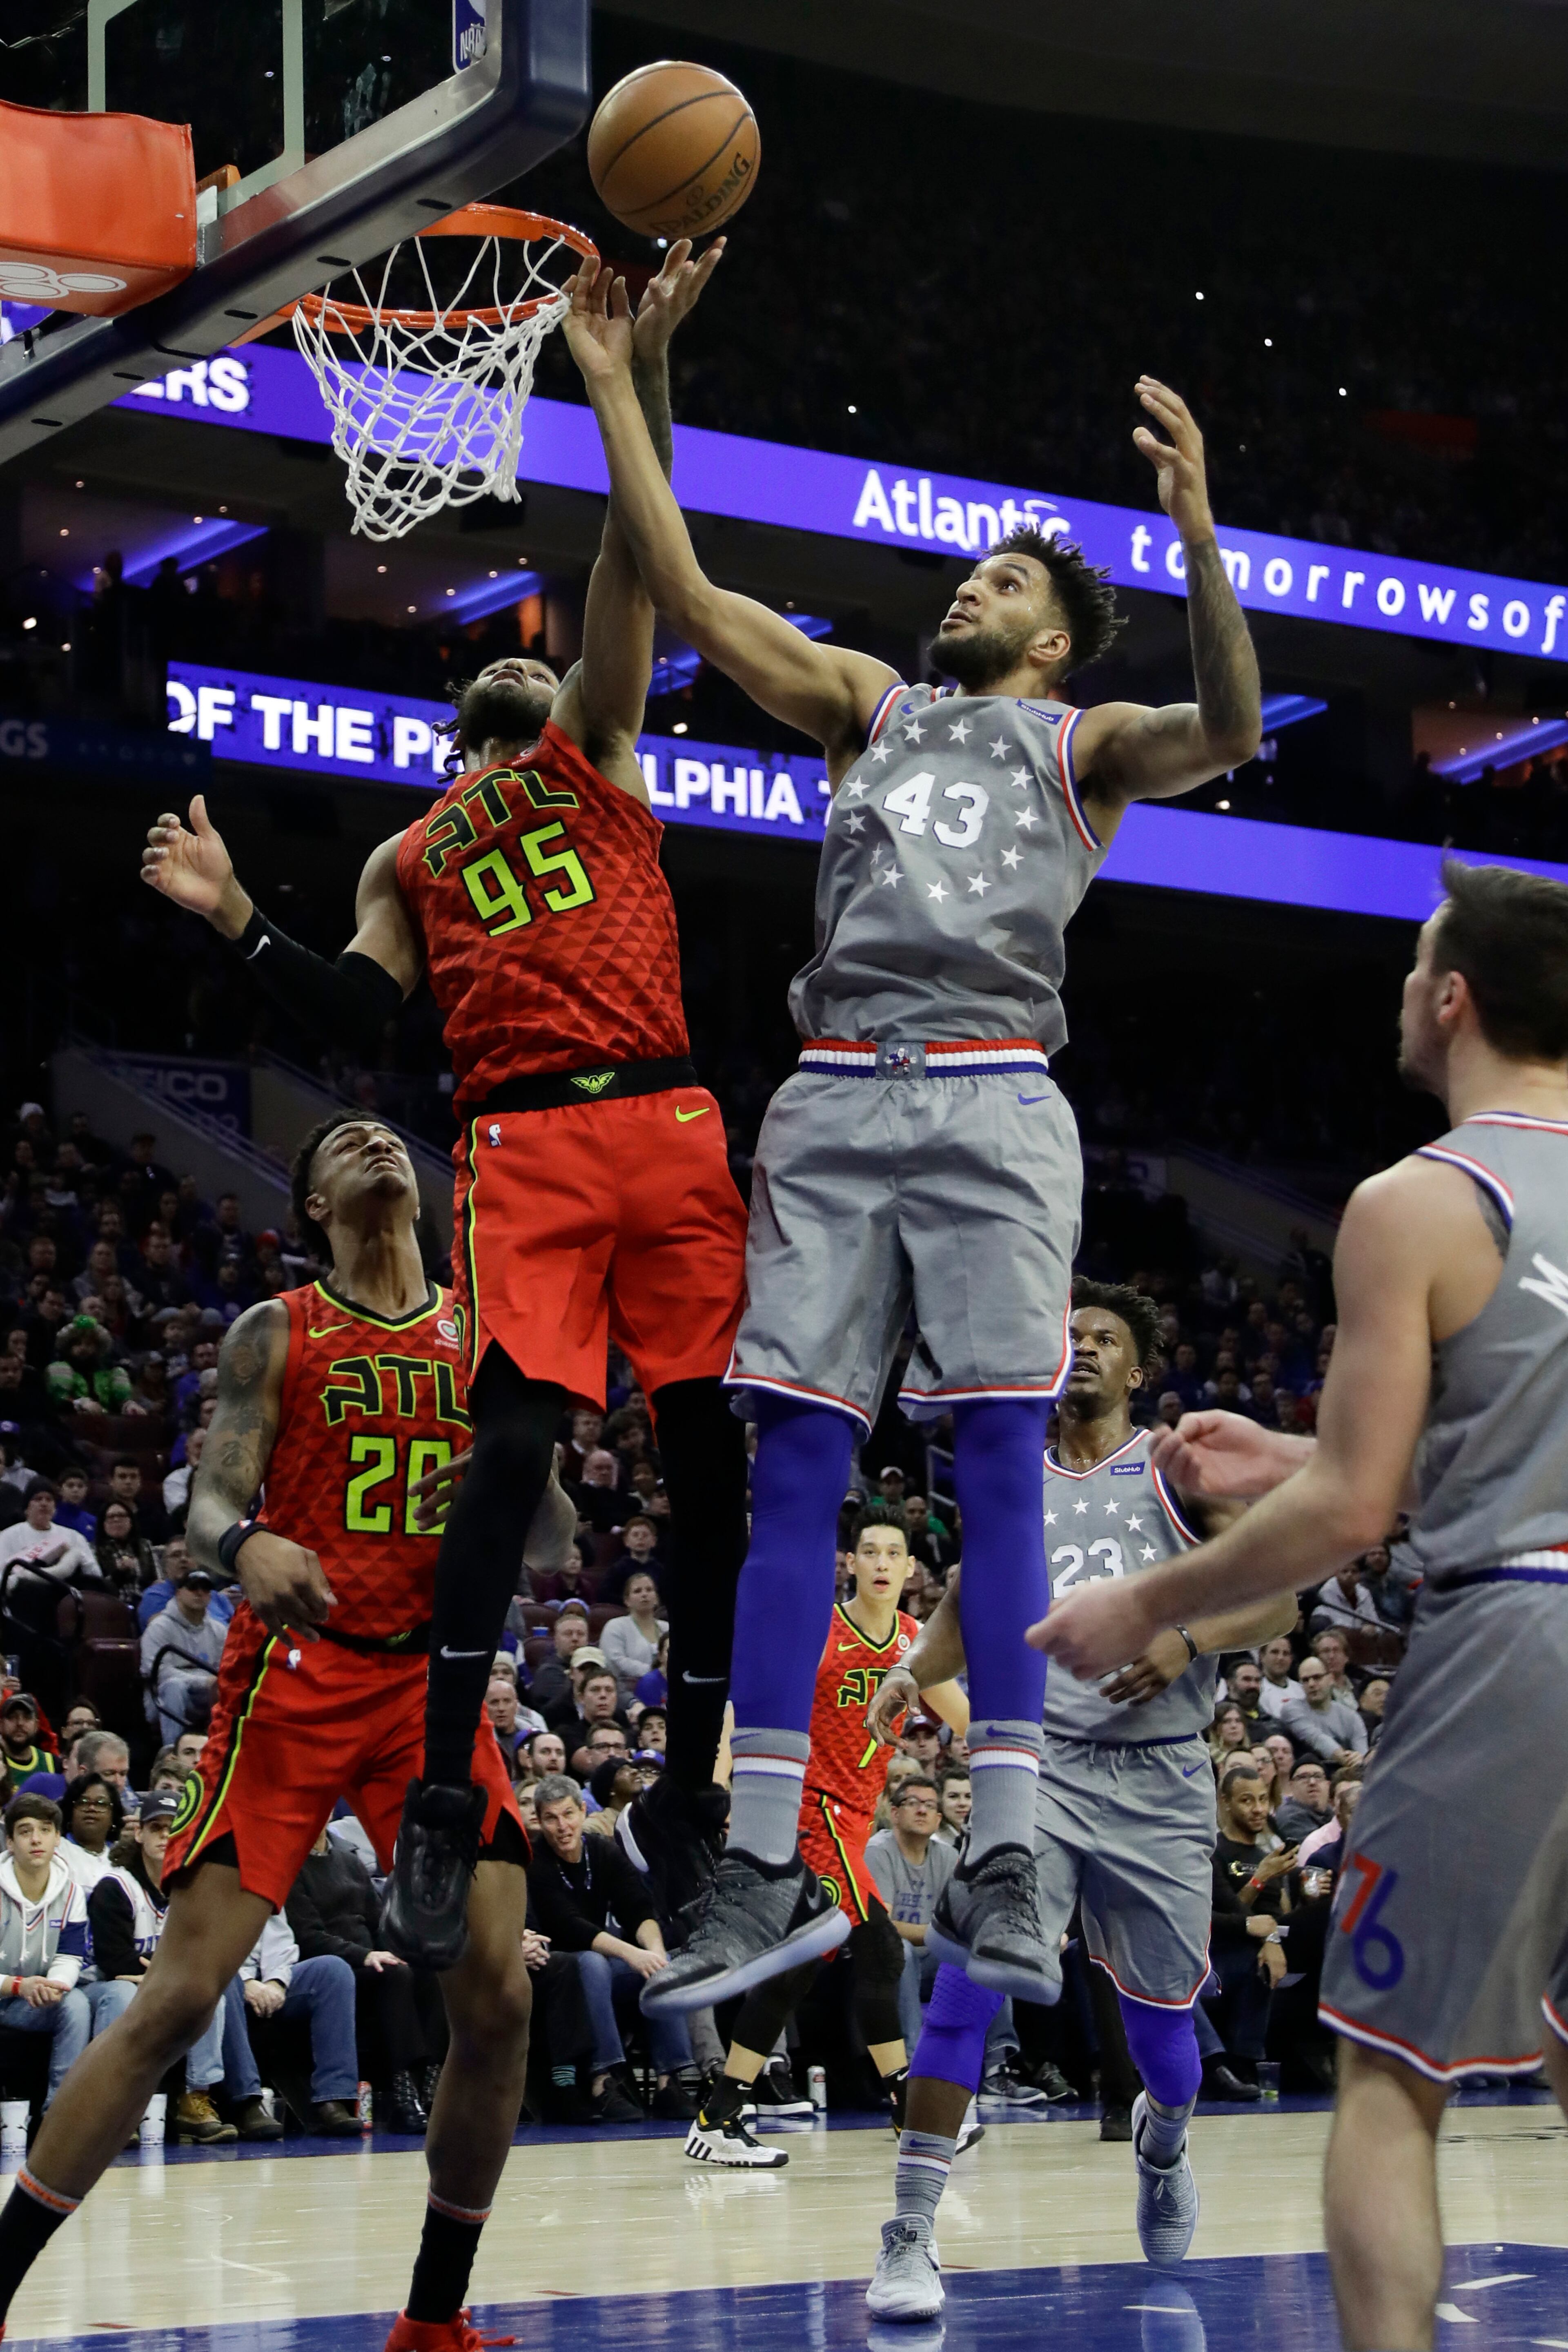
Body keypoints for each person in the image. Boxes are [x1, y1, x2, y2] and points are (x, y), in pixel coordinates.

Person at [564, 272, 1263, 2016]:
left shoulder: (1078, 741)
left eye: (1003, 581)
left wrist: (1193, 530)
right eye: (972, 572)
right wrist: (626, 378)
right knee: (794, 1468)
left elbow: (1234, 729)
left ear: (1047, 639)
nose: (970, 587)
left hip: (990, 1082)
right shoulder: (867, 701)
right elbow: (695, 596)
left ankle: (1010, 1855)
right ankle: (756, 1860)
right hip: (828, 1086)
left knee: (1001, 1464)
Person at [139, 247, 751, 1982]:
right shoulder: (409, 853)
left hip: (666, 1115)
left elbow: (641, 548)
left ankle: (698, 1802)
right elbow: (353, 1015)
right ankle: (434, 1789)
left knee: (710, 1453)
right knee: (513, 1449)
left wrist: (635, 379)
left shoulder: (606, 748)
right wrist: (236, 916)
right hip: (525, 1135)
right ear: (467, 736)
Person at [1032, 861, 1568, 2352]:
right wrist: (1292, 1455)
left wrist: (1145, 1592)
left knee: (1389, 2072)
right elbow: (1421, 1463)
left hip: (1519, 1636)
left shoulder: (1420, 1198)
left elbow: (1346, 1516)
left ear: (1453, 997)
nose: (1402, 990)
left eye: (1413, 968)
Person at [0, 1115, 569, 2352]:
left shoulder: (487, 1329)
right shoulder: (278, 1328)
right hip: (296, 1680)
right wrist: (244, 1541)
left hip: (435, 1687)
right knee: (171, 1999)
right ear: (312, 1201)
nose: (370, 1138)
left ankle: (432, 2318)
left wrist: (528, 1448)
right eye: (339, 1142)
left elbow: (556, 1539)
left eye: (382, 1130)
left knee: (499, 2000)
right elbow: (208, 1501)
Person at [863, 1281, 1294, 2316]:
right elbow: (968, 1609)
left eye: (1106, 1338)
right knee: (964, 1985)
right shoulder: (1009, 1476)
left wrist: (1184, 1637)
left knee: (1165, 2044)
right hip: (1037, 1765)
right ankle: (910, 2230)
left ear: (1139, 1369)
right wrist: (911, 1667)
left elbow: (1276, 1591)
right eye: (1070, 1337)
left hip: (1158, 1773)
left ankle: (1163, 2138)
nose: (1085, 1349)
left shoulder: (1174, 1466)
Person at [684, 1506, 967, 2171]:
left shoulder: (915, 1642)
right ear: (852, 1562)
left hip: (853, 1818)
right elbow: (748, 1700)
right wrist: (724, 1786)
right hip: (805, 1807)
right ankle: (908, 2107)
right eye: (867, 1550)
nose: (878, 1562)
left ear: (908, 1567)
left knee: (799, 1969)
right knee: (878, 1949)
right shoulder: (824, 1629)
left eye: (891, 1552)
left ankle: (720, 2111)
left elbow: (968, 1720)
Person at [526, 1774, 693, 2124]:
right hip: (556, 1969)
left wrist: (656, 1952)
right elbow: (568, 1924)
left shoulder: (602, 1850)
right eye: (552, 1818)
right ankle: (604, 2081)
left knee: (664, 1965)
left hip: (600, 1963)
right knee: (593, 1964)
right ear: (540, 1822)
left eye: (568, 1814)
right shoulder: (535, 1860)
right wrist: (632, 1954)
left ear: (583, 1811)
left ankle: (669, 2083)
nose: (562, 1826)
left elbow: (639, 1908)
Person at [82, 1789, 233, 2141]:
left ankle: (195, 2098)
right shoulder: (116, 1885)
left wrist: (167, 1975)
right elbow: (113, 1960)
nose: (165, 1835)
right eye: (157, 1828)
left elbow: (202, 1951)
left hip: (153, 1979)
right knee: (122, 1993)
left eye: (173, 1828)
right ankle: (112, 2108)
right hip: (99, 1985)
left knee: (210, 1995)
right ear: (140, 1834)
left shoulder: (191, 1886)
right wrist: (168, 1973)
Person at [286, 1824, 446, 2136]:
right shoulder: (290, 1864)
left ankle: (432, 2084)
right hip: (330, 1967)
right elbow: (306, 1936)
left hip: (368, 1958)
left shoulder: (350, 1859)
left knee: (430, 1970)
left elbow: (378, 1922)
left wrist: (393, 1951)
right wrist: (365, 1955)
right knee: (394, 1975)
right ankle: (402, 2092)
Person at [218, 1910, 361, 2137]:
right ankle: (246, 2103)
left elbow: (280, 1941)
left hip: (265, 1981)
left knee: (333, 1971)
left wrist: (277, 1982)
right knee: (224, 1981)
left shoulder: (263, 1880)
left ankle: (333, 2099)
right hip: (223, 1976)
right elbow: (197, 1947)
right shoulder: (200, 1881)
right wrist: (245, 1981)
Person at [1203, 1766, 1293, 2098]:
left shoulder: (1266, 1854)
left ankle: (1247, 2064)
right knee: (1253, 1959)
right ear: (1224, 1802)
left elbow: (1278, 1914)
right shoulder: (1215, 1851)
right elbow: (1230, 1911)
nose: (1257, 1808)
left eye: (1262, 1799)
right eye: (1246, 1800)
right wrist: (1261, 1878)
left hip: (1267, 1942)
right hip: (1223, 1948)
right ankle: (1238, 2064)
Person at [0, 1795, 89, 2109]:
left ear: (57, 1840)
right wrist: (16, 1984)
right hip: (8, 1991)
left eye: (45, 1829)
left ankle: (58, 2113)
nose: (36, 1839)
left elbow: (69, 1955)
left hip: (30, 1998)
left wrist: (55, 1985)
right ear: (10, 1842)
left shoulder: (71, 1892)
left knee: (74, 2003)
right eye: (25, 1831)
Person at [866, 1778, 958, 2056]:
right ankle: (912, 2058)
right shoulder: (878, 1851)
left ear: (939, 1818)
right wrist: (937, 1934)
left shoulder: (949, 1856)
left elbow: (958, 1923)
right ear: (895, 1813)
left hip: (932, 1960)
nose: (922, 1811)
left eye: (930, 1806)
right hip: (886, 1961)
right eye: (913, 1803)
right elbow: (883, 1926)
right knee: (901, 1949)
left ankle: (997, 2063)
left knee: (981, 1957)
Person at [139, 1565, 226, 1746]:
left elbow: (225, 1668)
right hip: (163, 1700)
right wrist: (203, 1681)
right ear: (179, 1593)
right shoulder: (159, 1627)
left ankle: (222, 1747)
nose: (199, 1593)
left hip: (206, 1695)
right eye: (193, 1587)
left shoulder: (219, 1630)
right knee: (174, 1686)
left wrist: (212, 1683)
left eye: (205, 1589)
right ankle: (172, 1752)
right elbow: (157, 1673)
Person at [1281, 1656, 1366, 1768]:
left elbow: (1363, 1753)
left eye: (1317, 1678)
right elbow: (1316, 1739)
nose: (1311, 1684)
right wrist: (1348, 1760)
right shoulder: (1292, 1710)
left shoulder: (1351, 1716)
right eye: (1305, 1680)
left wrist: (1359, 1759)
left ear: (1331, 1679)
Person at [599, 1569, 667, 1703]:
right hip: (626, 1691)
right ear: (627, 1600)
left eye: (649, 1590)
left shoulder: (667, 1628)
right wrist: (654, 1672)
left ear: (657, 1598)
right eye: (638, 1591)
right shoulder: (615, 1626)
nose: (644, 1595)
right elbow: (615, 1660)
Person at [0, 1697, 59, 1797]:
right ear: (1, 1725)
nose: (20, 1723)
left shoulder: (53, 1764)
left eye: (27, 1717)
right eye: (12, 1717)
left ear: (37, 1725)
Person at [1256, 1634, 1303, 1719]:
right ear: (1262, 1656)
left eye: (1286, 1654)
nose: (1281, 1658)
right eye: (1275, 1652)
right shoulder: (1257, 1692)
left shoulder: (1301, 1690)